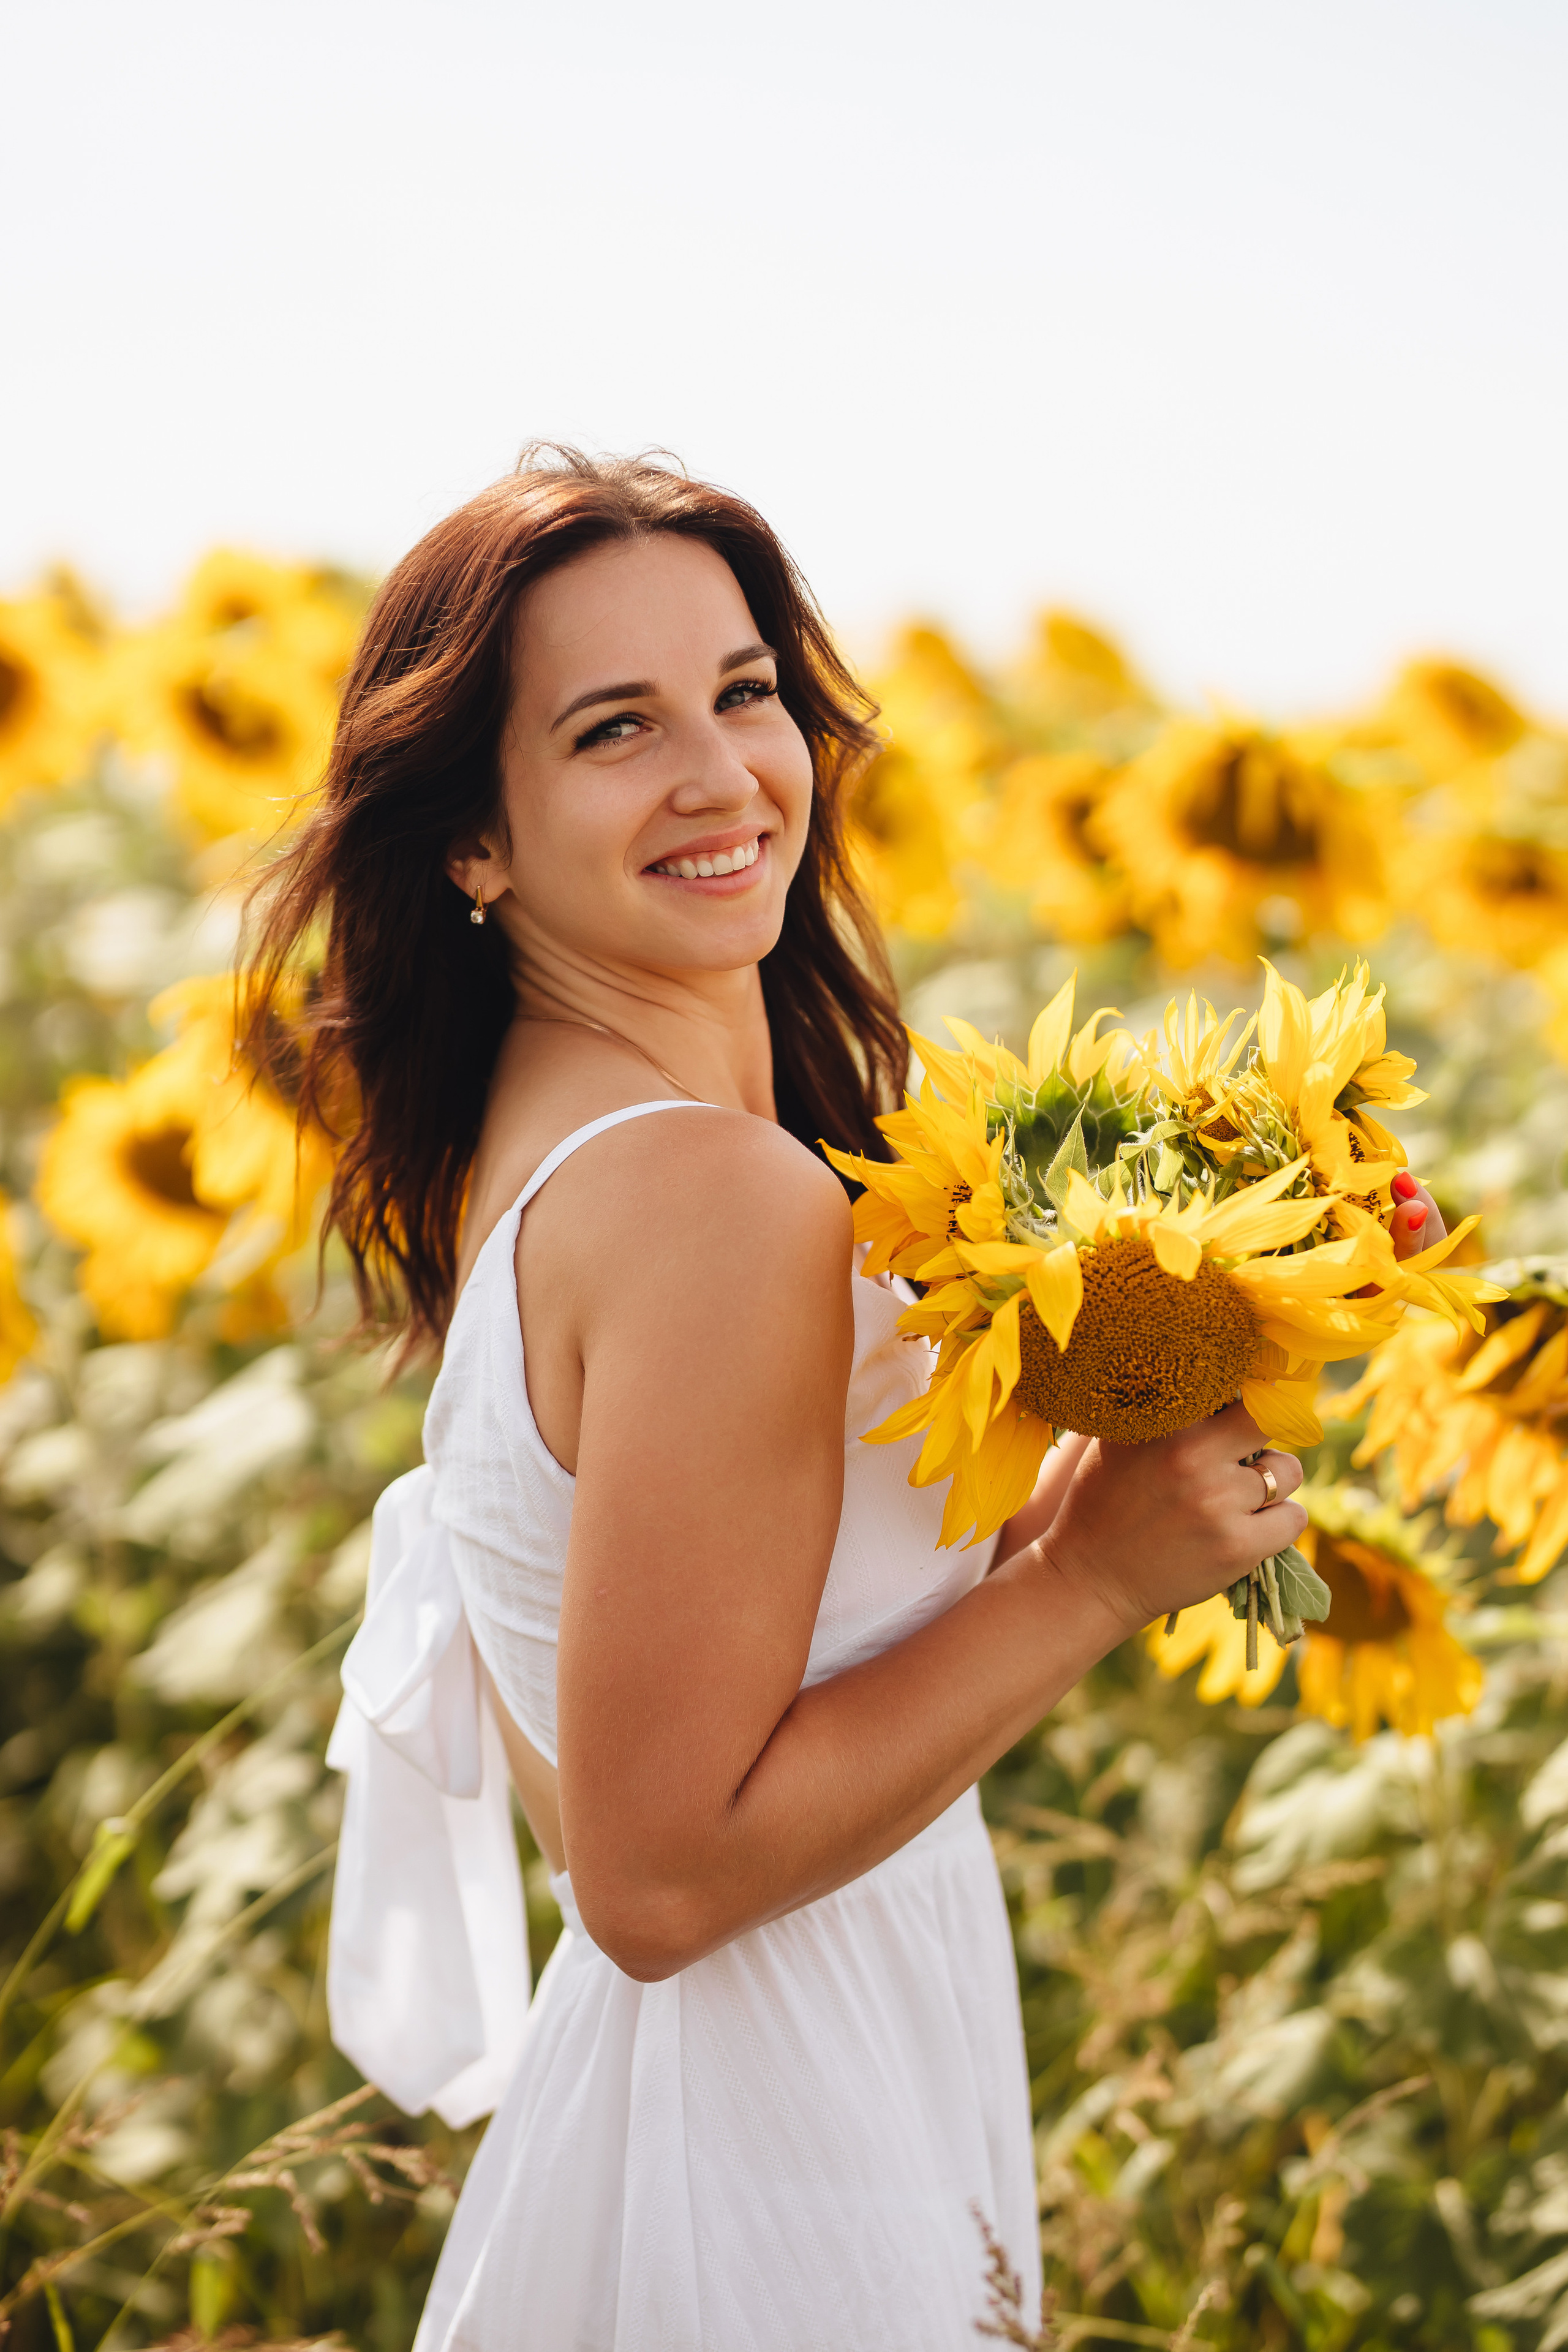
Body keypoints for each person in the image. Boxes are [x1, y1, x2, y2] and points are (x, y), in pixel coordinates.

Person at [247, 448, 1446, 2351]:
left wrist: (1212, 1304)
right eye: (615, 728)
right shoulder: (706, 1195)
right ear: (472, 841)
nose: (724, 773)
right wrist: (1087, 1579)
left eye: (744, 693)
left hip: (756, 2078)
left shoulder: (575, 1153)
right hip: (773, 2138)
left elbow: (769, 1633)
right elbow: (656, 1877)